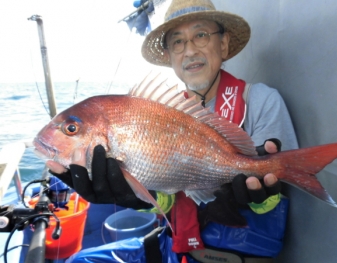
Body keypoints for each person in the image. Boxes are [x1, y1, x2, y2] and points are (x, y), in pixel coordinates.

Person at [48, 0, 299, 262]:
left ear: (223, 44)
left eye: (201, 35)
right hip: (175, 248)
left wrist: (261, 197)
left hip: (237, 254)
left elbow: (278, 189)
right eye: (178, 42)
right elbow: (168, 198)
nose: (189, 50)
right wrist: (139, 199)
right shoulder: (158, 113)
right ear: (169, 56)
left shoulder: (260, 100)